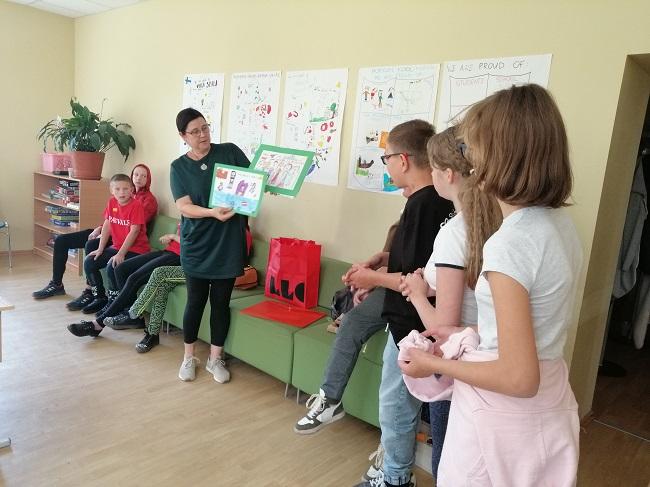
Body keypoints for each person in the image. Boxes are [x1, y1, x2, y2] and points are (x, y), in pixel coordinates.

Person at [399, 84, 583, 486]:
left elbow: (519, 377)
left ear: (499, 154)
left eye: (472, 147)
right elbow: (532, 330)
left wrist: (433, 365)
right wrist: (466, 332)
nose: (469, 158)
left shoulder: (510, 243)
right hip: (547, 406)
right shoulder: (558, 226)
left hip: (499, 419)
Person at [397, 126, 501, 479]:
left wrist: (415, 293)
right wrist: (427, 284)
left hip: (458, 362)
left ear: (448, 174)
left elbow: (442, 328)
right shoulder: (492, 222)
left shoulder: (455, 233)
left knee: (448, 462)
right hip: (484, 356)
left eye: (434, 168)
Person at [171, 108, 250, 384]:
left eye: (205, 128)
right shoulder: (179, 167)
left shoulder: (229, 152)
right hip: (197, 245)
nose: (203, 135)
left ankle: (215, 358)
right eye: (195, 131)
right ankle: (188, 357)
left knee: (220, 303)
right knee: (195, 301)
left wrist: (269, 185)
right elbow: (184, 206)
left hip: (228, 243)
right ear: (183, 136)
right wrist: (212, 212)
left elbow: (253, 181)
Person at [32, 164, 158, 313]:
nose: (139, 178)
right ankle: (66, 287)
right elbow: (110, 221)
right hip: (116, 238)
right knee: (70, 245)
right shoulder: (114, 200)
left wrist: (118, 251)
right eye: (136, 174)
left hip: (129, 243)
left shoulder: (144, 201)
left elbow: (133, 228)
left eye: (144, 176)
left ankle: (94, 294)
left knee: (97, 251)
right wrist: (100, 237)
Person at [66, 173, 151, 337]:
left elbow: (134, 232)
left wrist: (120, 254)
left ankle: (114, 304)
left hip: (137, 249)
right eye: (117, 189)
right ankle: (100, 298)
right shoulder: (112, 203)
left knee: (114, 265)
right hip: (117, 246)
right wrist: (100, 249)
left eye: (125, 189)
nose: (121, 192)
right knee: (90, 261)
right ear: (112, 190)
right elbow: (107, 225)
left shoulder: (136, 206)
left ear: (132, 190)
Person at [65, 227, 181, 338]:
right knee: (120, 268)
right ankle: (130, 315)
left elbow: (190, 245)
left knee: (134, 278)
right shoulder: (186, 216)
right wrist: (172, 238)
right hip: (169, 251)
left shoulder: (192, 216)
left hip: (179, 257)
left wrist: (172, 236)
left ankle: (98, 324)